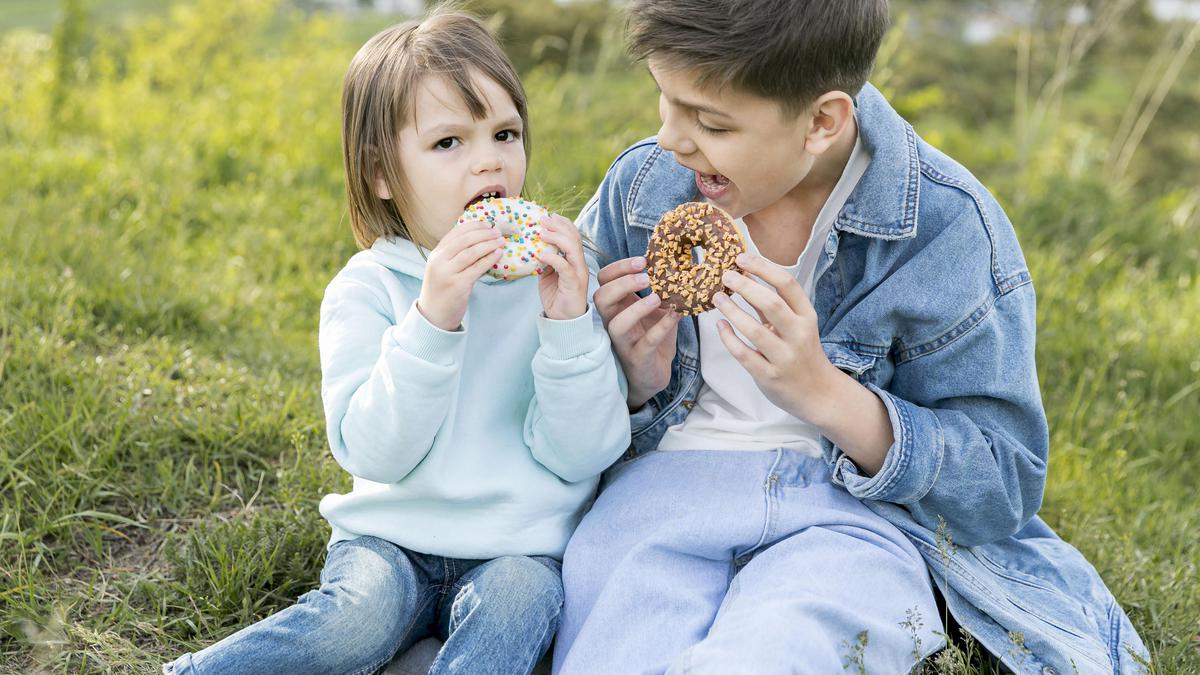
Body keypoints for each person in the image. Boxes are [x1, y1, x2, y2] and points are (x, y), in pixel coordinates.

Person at [553, 1, 1150, 673]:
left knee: (777, 653)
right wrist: (629, 381)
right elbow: (557, 399)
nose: (670, 139)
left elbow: (1001, 481)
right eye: (665, 100)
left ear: (822, 121)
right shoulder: (644, 188)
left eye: (710, 123)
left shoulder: (947, 228)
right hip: (661, 494)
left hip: (849, 517)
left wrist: (825, 393)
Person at [163, 9, 630, 675]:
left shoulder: (558, 281)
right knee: (357, 617)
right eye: (448, 142)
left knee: (520, 603)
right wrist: (433, 321)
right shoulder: (368, 289)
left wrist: (566, 326)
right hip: (391, 540)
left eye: (505, 133)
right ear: (381, 172)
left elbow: (584, 453)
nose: (489, 159)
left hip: (517, 547)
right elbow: (375, 450)